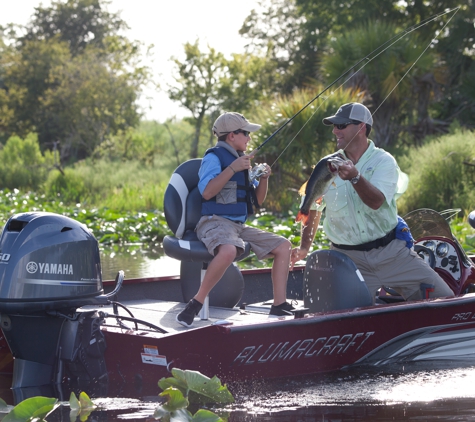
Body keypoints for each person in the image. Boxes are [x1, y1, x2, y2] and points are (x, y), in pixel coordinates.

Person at [290, 102, 454, 302]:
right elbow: (313, 208)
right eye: (334, 126)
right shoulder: (327, 165)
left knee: (444, 300)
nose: (335, 131)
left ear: (361, 128)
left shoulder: (384, 161)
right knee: (341, 318)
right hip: (347, 260)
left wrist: (355, 177)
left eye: (341, 126)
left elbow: (376, 202)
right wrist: (305, 248)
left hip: (392, 254)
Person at [176, 111, 294, 327]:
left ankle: (279, 304)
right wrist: (232, 169)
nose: (249, 138)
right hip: (213, 222)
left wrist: (264, 179)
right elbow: (207, 192)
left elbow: (257, 202)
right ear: (232, 135)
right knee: (229, 250)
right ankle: (195, 303)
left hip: (238, 226)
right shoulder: (213, 158)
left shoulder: (243, 161)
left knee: (283, 246)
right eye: (246, 133)